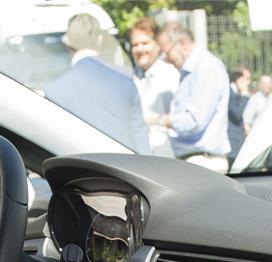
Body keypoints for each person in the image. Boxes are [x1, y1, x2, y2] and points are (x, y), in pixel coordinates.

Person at [43, 14, 151, 154]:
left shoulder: (54, 90)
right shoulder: (124, 81)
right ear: (100, 40)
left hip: (80, 172)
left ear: (68, 43)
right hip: (124, 170)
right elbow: (141, 143)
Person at [154, 22, 230, 171]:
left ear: (183, 43)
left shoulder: (206, 68)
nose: (166, 60)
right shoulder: (192, 71)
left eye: (167, 54)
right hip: (195, 161)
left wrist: (163, 120)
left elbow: (194, 121)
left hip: (203, 162)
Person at [128, 18, 179, 156]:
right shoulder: (132, 78)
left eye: (145, 43)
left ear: (157, 44)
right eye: (135, 44)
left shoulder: (170, 75)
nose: (139, 49)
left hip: (166, 154)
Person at [241, 74, 272, 169]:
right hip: (258, 139)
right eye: (266, 83)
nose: (269, 85)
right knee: (256, 166)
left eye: (270, 83)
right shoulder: (255, 99)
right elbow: (246, 120)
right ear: (260, 85)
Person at [227, 66, 252, 166]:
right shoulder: (229, 92)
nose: (248, 82)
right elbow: (237, 114)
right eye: (246, 79)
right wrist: (245, 94)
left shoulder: (234, 93)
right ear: (238, 79)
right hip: (232, 144)